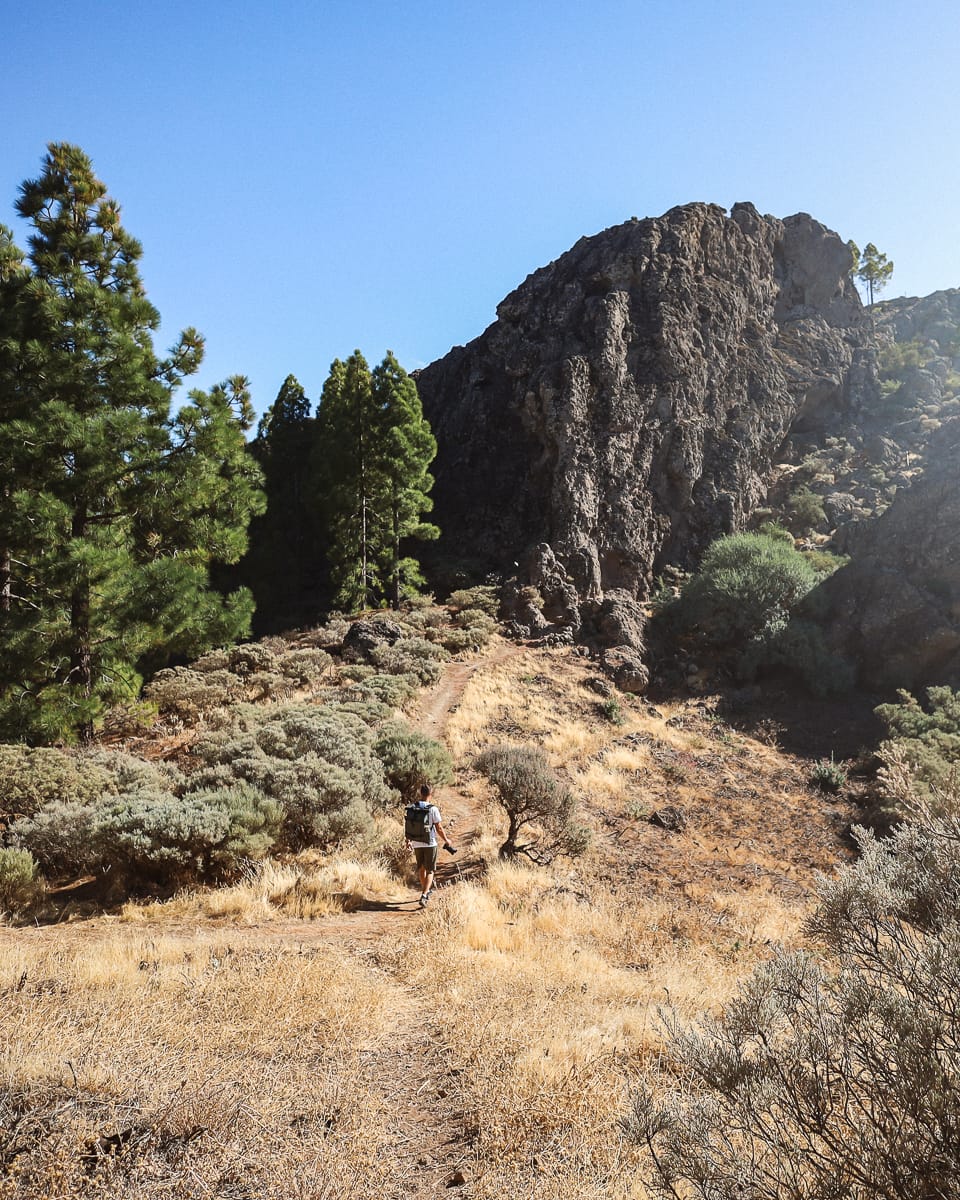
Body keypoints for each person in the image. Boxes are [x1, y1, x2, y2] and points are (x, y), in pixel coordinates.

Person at [406, 783, 455, 906]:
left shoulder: (413, 807)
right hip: (430, 843)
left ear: (420, 793)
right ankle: (424, 894)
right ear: (430, 794)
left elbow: (408, 826)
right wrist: (446, 840)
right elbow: (438, 827)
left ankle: (425, 890)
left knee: (421, 869)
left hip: (417, 843)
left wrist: (408, 841)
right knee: (430, 870)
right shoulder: (433, 809)